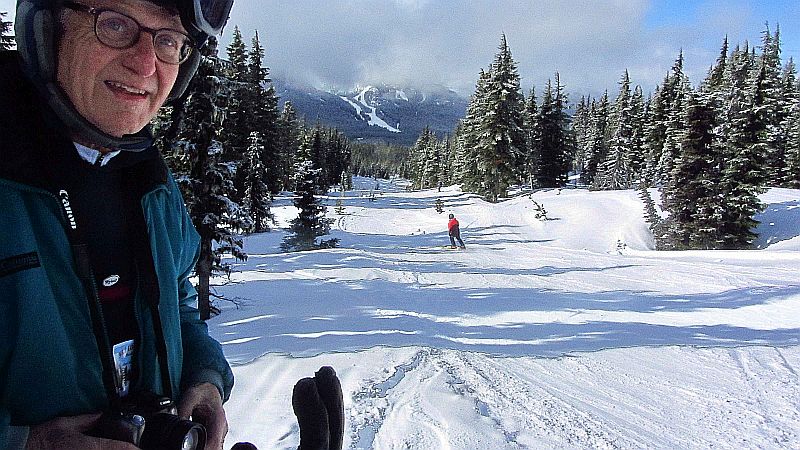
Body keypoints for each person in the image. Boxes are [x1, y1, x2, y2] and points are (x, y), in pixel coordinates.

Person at [0, 0, 236, 448]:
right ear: (49, 31)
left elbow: (178, 301)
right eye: (115, 24)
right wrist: (20, 441)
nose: (146, 63)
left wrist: (202, 375)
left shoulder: (150, 179)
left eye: (167, 40)